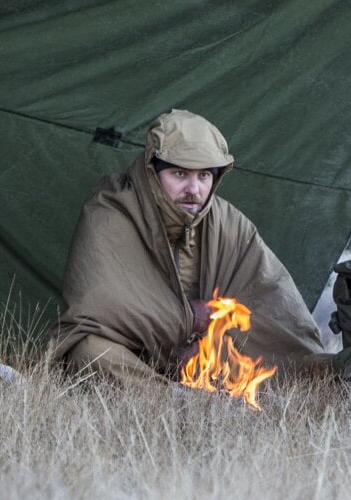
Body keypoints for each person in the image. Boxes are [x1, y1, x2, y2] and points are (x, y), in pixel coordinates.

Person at [56, 108, 331, 387]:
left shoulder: (229, 223)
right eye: (179, 174)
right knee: (87, 350)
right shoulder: (111, 208)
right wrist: (188, 318)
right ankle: (171, 399)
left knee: (284, 354)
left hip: (201, 356)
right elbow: (99, 303)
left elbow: (271, 297)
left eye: (204, 176)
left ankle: (347, 378)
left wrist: (213, 337)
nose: (194, 189)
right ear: (152, 171)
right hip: (132, 355)